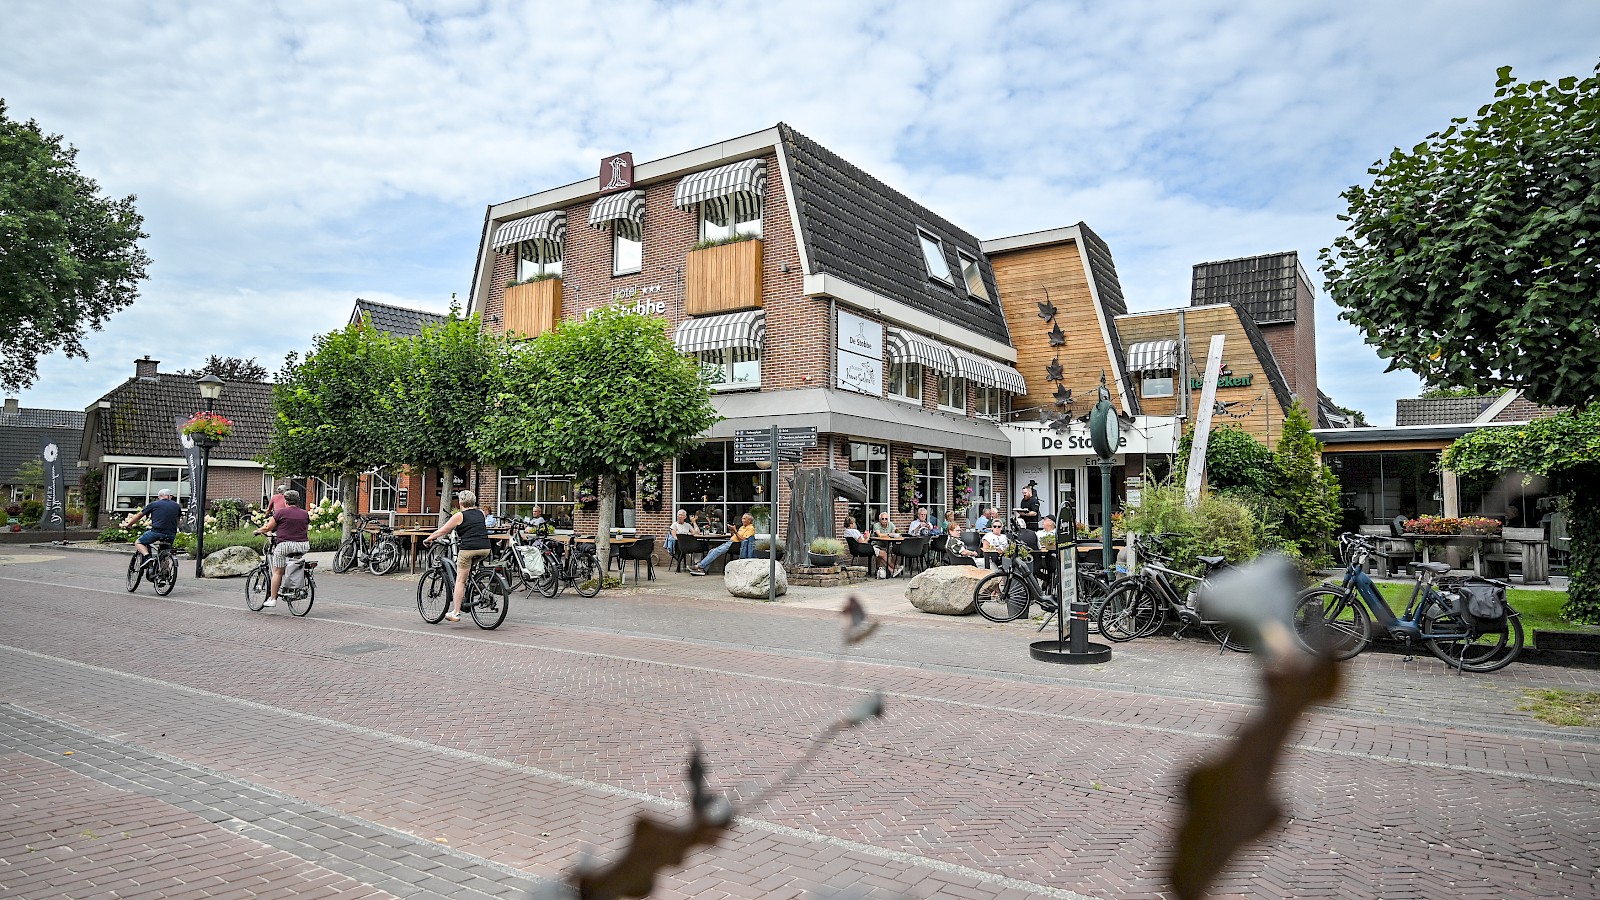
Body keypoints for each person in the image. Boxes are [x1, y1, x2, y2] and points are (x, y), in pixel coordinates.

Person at [424, 490, 493, 623]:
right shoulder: (480, 513)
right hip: (485, 548)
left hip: (468, 549)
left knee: (460, 580)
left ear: (460, 502)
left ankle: (456, 612)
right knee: (469, 574)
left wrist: (429, 539)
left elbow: (444, 530)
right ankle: (478, 589)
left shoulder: (459, 515)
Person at [252, 489, 311, 607]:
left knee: (277, 572)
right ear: (298, 501)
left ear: (285, 501)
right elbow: (304, 527)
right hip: (303, 545)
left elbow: (268, 527)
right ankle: (292, 587)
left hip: (285, 545)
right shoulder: (305, 513)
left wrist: (258, 531)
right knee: (293, 563)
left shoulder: (280, 513)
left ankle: (273, 599)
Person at [123, 488, 182, 567]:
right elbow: (177, 520)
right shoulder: (176, 506)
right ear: (169, 496)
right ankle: (164, 572)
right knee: (165, 552)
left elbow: (140, 515)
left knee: (139, 542)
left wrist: (129, 524)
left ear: (159, 496)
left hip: (156, 532)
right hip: (171, 533)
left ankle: (147, 557)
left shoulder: (154, 504)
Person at [691, 513, 756, 575]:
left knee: (716, 551)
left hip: (735, 545)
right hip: (730, 542)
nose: (742, 520)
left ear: (749, 520)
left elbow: (743, 540)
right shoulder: (742, 527)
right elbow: (735, 536)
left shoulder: (751, 528)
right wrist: (732, 531)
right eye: (742, 518)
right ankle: (703, 570)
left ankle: (700, 566)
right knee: (712, 551)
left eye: (744, 519)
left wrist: (735, 531)